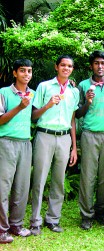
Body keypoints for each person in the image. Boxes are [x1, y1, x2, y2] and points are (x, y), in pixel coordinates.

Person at [29, 55, 79, 235]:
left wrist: (74, 146)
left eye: (69, 66)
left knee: (59, 181)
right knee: (40, 179)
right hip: (45, 135)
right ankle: (35, 221)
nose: (66, 68)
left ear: (72, 69)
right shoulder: (44, 87)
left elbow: (73, 120)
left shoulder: (74, 91)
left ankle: (53, 219)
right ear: (56, 67)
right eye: (63, 65)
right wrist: (49, 104)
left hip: (64, 138)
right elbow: (33, 115)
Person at [76, 51, 104, 230]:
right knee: (88, 176)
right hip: (89, 134)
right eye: (96, 63)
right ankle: (86, 215)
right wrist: (87, 102)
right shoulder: (83, 85)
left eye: (103, 63)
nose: (100, 66)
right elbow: (77, 113)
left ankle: (100, 212)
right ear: (91, 66)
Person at [0, 59, 34, 244]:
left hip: (25, 143)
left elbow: (34, 115)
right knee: (2, 187)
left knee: (21, 187)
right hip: (6, 142)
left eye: (29, 71)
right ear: (15, 73)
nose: (26, 74)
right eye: (22, 71)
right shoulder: (3, 93)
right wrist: (20, 106)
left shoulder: (33, 93)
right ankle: (1, 230)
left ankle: (16, 225)